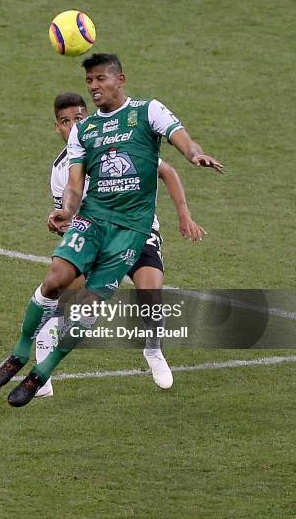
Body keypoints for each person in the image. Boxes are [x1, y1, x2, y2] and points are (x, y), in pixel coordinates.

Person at [0, 53, 223, 407]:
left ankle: (42, 373)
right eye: (89, 82)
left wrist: (195, 154)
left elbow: (179, 137)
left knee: (90, 305)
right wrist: (65, 211)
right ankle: (19, 352)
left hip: (131, 229)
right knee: (56, 277)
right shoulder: (86, 129)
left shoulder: (147, 111)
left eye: (100, 79)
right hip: (93, 219)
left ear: (120, 79)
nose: (94, 87)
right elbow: (75, 183)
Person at [36, 91, 206, 398]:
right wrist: (63, 226)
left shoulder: (117, 141)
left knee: (152, 296)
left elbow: (166, 171)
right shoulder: (61, 170)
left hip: (138, 230)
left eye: (79, 118)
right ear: (57, 128)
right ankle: (41, 367)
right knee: (70, 302)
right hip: (95, 238)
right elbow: (69, 216)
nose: (73, 126)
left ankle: (153, 351)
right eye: (65, 122)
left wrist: (185, 216)